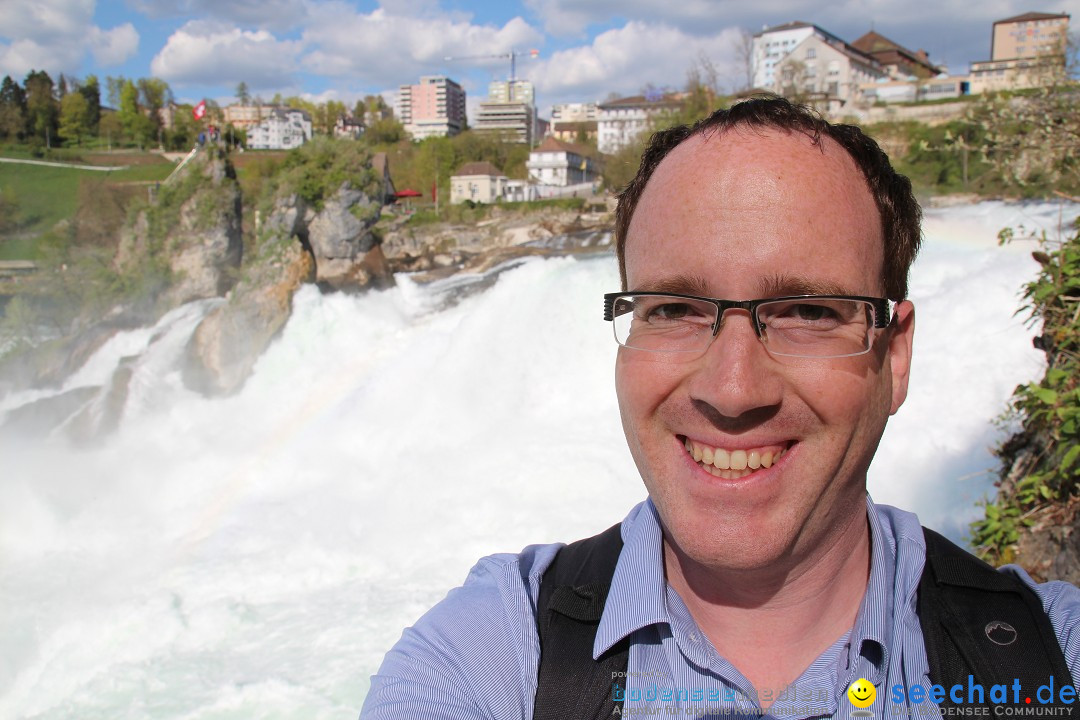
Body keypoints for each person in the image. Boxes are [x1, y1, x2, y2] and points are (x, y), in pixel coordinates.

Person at [360, 97, 1080, 719]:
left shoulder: (1053, 659)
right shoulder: (496, 653)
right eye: (673, 307)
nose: (733, 391)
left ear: (894, 356)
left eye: (806, 310)